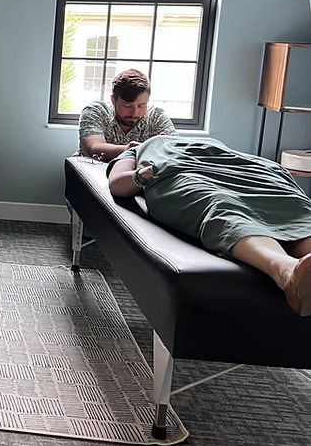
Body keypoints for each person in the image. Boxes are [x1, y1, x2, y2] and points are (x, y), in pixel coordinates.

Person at [107, 135, 311, 316]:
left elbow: (238, 158)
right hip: (185, 175)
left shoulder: (210, 141)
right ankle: (287, 272)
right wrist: (144, 173)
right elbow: (118, 184)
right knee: (223, 208)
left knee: (296, 208)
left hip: (247, 174)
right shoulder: (135, 150)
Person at [78, 69, 176, 161]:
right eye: (127, 106)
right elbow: (94, 147)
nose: (134, 113)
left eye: (141, 105)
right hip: (90, 171)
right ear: (113, 100)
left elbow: (176, 148)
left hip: (137, 175)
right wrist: (131, 150)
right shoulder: (95, 111)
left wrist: (166, 145)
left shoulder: (156, 116)